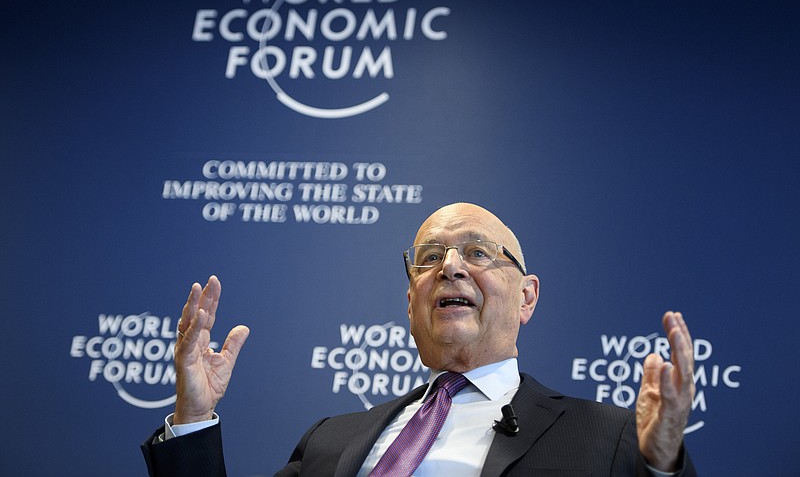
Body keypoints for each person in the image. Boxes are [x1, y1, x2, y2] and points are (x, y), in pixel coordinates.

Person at [142, 202, 697, 476]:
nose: (451, 267)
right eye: (430, 258)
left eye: (478, 254)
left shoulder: (609, 437)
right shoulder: (330, 440)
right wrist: (192, 415)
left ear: (526, 297)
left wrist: (658, 465)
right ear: (411, 302)